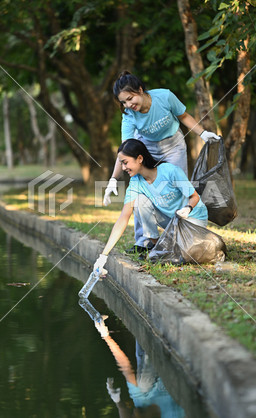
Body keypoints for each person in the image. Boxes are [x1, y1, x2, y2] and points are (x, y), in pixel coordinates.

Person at [103, 71, 219, 253]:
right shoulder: (129, 115)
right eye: (123, 102)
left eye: (130, 98)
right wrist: (113, 179)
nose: (128, 105)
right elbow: (125, 148)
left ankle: (181, 233)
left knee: (178, 189)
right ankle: (144, 242)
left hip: (173, 145)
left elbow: (184, 116)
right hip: (147, 147)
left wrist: (202, 133)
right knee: (142, 192)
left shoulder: (164, 96)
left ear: (140, 90)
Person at [93, 138, 208, 276]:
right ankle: (157, 245)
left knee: (190, 253)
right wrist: (103, 256)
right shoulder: (136, 182)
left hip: (192, 218)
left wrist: (188, 208)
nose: (123, 168)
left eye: (125, 162)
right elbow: (123, 218)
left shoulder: (170, 171)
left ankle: (169, 248)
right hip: (172, 221)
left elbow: (195, 197)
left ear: (139, 158)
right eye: (121, 164)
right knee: (140, 201)